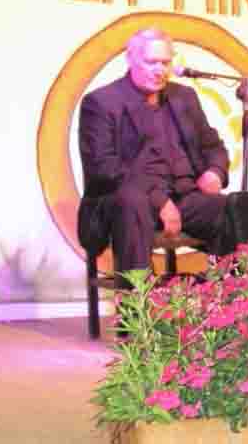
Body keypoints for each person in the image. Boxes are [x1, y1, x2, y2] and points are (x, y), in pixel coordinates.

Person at [76, 27, 229, 287]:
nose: (159, 70)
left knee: (234, 210)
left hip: (184, 196)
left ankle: (223, 303)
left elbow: (212, 145)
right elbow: (103, 168)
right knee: (132, 202)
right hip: (123, 201)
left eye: (165, 63)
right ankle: (138, 315)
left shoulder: (184, 97)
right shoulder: (101, 102)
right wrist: (159, 200)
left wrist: (215, 171)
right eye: (151, 62)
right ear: (130, 59)